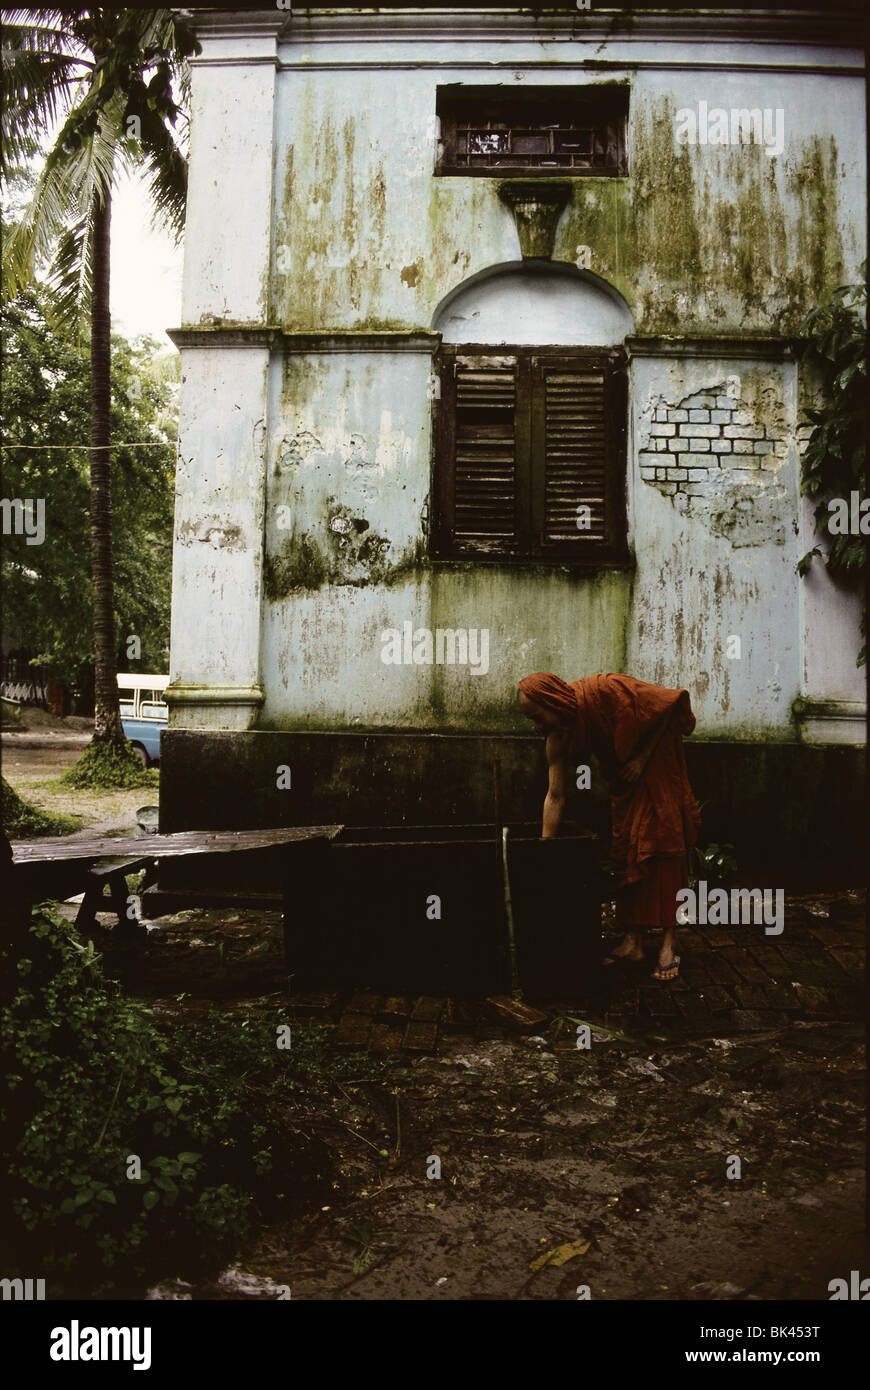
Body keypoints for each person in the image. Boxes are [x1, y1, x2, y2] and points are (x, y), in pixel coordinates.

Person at [516, 670, 701, 981]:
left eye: (538, 716)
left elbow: (666, 708)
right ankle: (634, 941)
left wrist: (641, 758)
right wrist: (544, 852)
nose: (538, 726)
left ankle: (669, 945)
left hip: (655, 764)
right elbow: (556, 795)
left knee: (666, 849)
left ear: (553, 702)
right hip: (624, 780)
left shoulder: (607, 690)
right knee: (627, 850)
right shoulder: (559, 734)